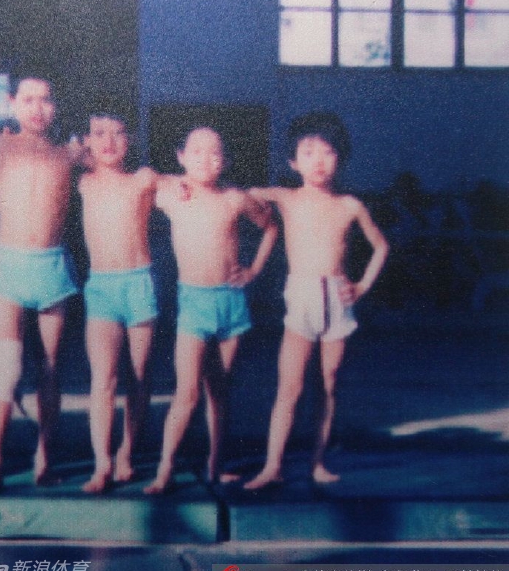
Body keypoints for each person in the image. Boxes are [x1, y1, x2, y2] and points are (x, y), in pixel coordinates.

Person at [244, 113, 388, 490]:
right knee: (289, 387)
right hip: (303, 297)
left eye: (327, 152)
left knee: (328, 382)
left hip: (337, 297)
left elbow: (381, 246)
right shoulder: (286, 198)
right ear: (293, 162)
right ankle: (272, 465)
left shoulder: (350, 205)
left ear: (340, 158)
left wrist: (362, 286)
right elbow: (241, 194)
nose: (318, 161)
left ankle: (318, 462)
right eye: (308, 153)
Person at [144, 126, 278, 494]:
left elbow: (270, 227)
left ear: (226, 160)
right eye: (197, 152)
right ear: (181, 156)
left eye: (215, 152)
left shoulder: (233, 198)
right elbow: (144, 177)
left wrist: (254, 270)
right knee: (187, 393)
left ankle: (215, 466)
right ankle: (165, 469)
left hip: (230, 303)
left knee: (219, 392)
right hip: (194, 304)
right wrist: (174, 179)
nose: (206, 159)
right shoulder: (172, 195)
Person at [0, 68, 83, 494]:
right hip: (10, 266)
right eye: (29, 99)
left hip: (52, 265)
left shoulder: (70, 153)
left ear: (56, 106)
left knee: (49, 368)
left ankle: (44, 459)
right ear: (12, 103)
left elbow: (118, 166)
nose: (38, 108)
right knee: (6, 367)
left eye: (46, 99)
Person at [76, 108, 160, 493]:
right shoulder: (83, 181)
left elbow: (185, 183)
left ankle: (126, 453)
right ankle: (102, 463)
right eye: (99, 133)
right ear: (86, 140)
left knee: (139, 376)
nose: (108, 141)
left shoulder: (143, 179)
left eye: (118, 132)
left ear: (131, 139)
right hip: (102, 288)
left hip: (138, 283)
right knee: (103, 379)